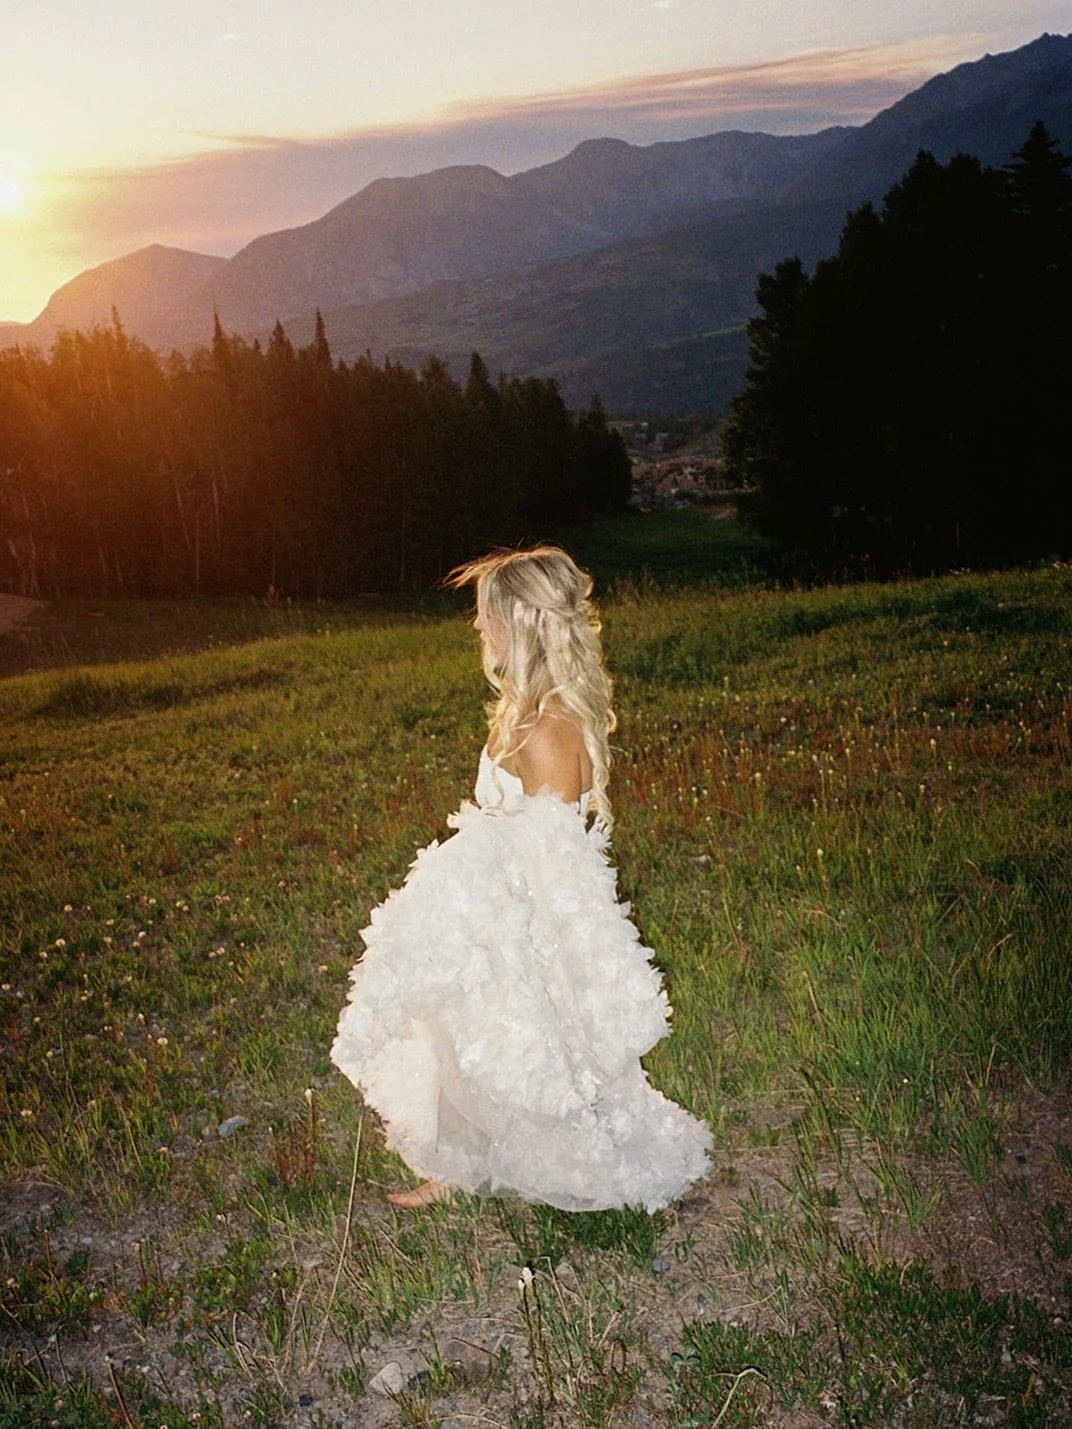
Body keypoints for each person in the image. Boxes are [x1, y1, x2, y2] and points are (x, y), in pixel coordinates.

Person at [330, 546, 710, 1210]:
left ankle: (523, 1164)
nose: (479, 626)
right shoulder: (528, 714)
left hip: (520, 914)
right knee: (455, 1034)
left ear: (520, 622)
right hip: (491, 903)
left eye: (488, 615)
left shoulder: (548, 732)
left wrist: (525, 949)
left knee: (506, 1048)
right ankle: (456, 1167)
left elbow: (556, 860)